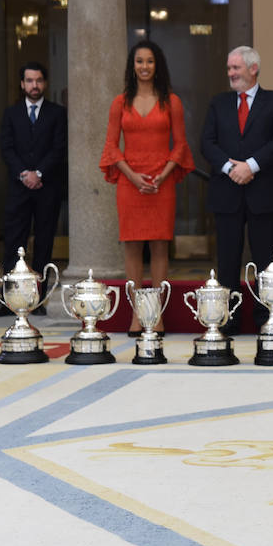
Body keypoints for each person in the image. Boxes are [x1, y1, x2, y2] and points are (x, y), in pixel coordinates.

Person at [99, 40, 194, 335]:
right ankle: (137, 316)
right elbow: (112, 146)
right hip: (131, 184)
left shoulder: (172, 102)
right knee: (132, 248)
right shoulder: (120, 103)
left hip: (160, 185)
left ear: (157, 65)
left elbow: (179, 146)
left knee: (159, 247)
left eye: (149, 61)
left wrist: (163, 176)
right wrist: (132, 175)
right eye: (139, 61)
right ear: (132, 66)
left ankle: (157, 315)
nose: (144, 67)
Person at [200, 45, 273, 333]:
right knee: (227, 261)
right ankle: (227, 319)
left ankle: (266, 319)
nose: (231, 73)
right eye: (229, 68)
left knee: (266, 261)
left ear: (253, 69)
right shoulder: (218, 102)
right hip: (227, 193)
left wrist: (250, 166)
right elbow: (207, 143)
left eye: (235, 68)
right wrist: (230, 168)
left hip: (262, 193)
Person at [0, 63, 68, 318]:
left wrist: (39, 174)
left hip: (46, 188)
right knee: (13, 243)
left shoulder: (57, 113)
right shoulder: (11, 113)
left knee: (44, 243)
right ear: (22, 84)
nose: (34, 85)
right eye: (29, 81)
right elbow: (6, 148)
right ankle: (8, 299)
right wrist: (24, 174)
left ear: (45, 83)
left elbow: (59, 148)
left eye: (39, 80)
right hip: (19, 189)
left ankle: (39, 298)